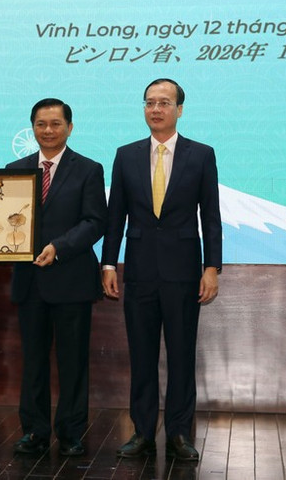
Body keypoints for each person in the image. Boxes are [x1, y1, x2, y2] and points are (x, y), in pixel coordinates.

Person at [101, 78, 221, 461]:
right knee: (142, 356)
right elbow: (115, 216)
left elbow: (211, 217)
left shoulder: (201, 155)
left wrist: (212, 267)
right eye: (150, 102)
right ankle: (142, 432)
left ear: (179, 109)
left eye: (164, 102)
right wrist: (108, 263)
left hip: (183, 272)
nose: (156, 109)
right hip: (139, 272)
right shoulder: (126, 155)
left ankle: (180, 434)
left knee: (182, 356)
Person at [6, 98, 107, 457]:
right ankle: (34, 432)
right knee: (33, 362)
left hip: (71, 278)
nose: (47, 131)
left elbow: (95, 221)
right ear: (32, 127)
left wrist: (58, 247)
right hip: (29, 280)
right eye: (41, 124)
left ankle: (71, 433)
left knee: (72, 362)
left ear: (69, 127)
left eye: (55, 124)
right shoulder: (15, 169)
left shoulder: (89, 169)